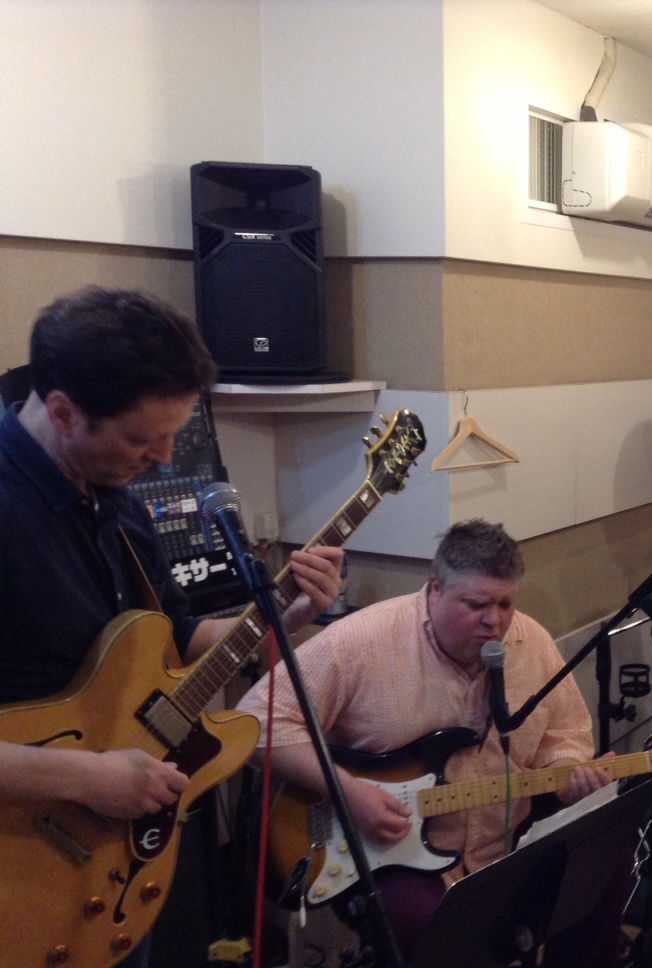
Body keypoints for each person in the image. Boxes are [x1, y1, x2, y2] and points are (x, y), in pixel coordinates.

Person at [0, 286, 344, 965]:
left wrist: (286, 614)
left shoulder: (118, 504)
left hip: (107, 862)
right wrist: (83, 778)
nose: (162, 458)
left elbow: (179, 641)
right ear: (63, 412)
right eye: (141, 437)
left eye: (174, 435)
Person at [237, 518, 617, 963]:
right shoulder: (361, 640)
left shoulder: (530, 639)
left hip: (506, 840)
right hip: (386, 850)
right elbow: (254, 721)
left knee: (604, 864)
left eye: (506, 603)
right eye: (475, 604)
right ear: (435, 588)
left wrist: (567, 772)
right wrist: (346, 791)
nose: (494, 621)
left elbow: (565, 734)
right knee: (426, 922)